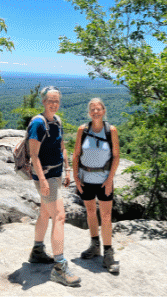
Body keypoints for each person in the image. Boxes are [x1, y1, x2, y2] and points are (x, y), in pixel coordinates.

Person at [26, 87, 80, 287]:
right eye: (50, 100)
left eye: (57, 101)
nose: (54, 104)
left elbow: (61, 146)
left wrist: (67, 170)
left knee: (45, 214)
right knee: (59, 215)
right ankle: (59, 267)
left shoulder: (57, 121)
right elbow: (33, 155)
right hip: (45, 176)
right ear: (43, 101)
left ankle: (37, 251)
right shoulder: (38, 124)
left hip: (56, 173)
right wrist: (41, 179)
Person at [73, 98, 121, 274]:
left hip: (104, 179)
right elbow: (76, 154)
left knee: (106, 216)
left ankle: (108, 253)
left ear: (104, 111)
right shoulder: (82, 130)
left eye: (98, 109)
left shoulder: (111, 131)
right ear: (89, 112)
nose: (96, 112)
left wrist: (109, 180)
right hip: (86, 178)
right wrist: (76, 178)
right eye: (92, 109)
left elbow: (116, 156)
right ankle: (95, 245)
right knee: (91, 212)